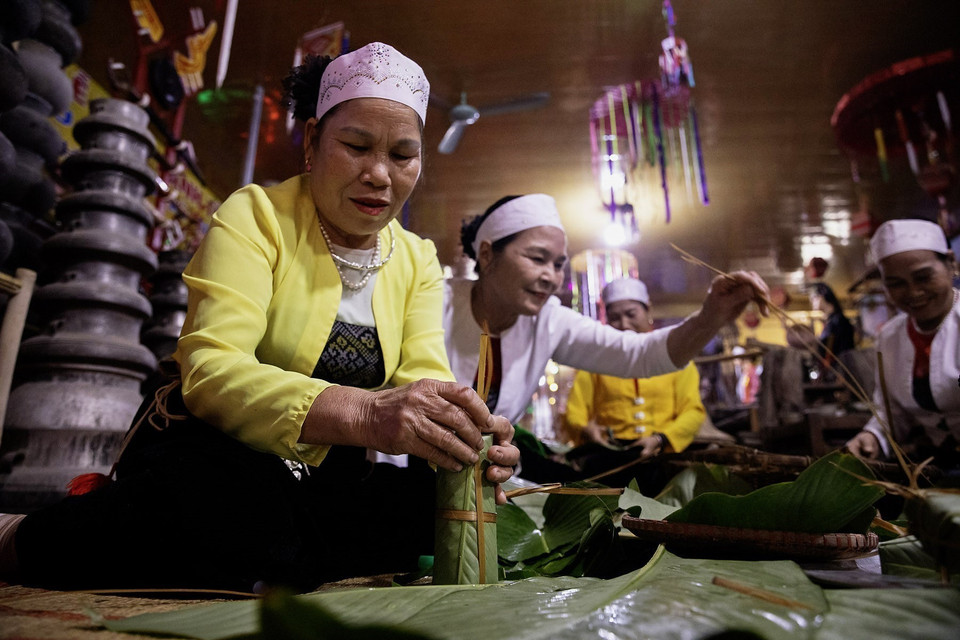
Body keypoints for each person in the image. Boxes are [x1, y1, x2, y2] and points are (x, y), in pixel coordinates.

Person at [0, 42, 518, 593]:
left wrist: (465, 440)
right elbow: (212, 371)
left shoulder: (415, 258)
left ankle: (278, 552)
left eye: (402, 155)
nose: (378, 175)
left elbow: (423, 380)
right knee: (240, 518)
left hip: (319, 477)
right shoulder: (255, 215)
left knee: (422, 515)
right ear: (314, 141)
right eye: (357, 146)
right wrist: (367, 415)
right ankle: (22, 538)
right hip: (216, 453)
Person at [443, 193, 770, 483]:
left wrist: (711, 316)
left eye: (558, 265)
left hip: (481, 479)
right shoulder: (435, 301)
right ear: (487, 255)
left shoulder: (550, 320)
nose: (551, 277)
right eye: (537, 258)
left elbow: (639, 354)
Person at [563, 277, 707, 489]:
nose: (624, 324)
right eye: (614, 318)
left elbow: (693, 412)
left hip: (663, 458)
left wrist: (661, 439)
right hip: (610, 459)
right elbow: (574, 413)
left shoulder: (676, 358)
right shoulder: (594, 362)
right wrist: (587, 431)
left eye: (631, 314)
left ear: (648, 310)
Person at [845, 218, 960, 471]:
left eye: (923, 277)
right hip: (937, 467)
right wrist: (873, 436)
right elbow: (892, 412)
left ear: (951, 263)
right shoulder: (890, 337)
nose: (913, 292)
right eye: (895, 283)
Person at [786, 281, 856, 363]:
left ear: (823, 296)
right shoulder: (831, 321)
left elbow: (833, 350)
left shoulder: (838, 321)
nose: (812, 302)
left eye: (814, 298)